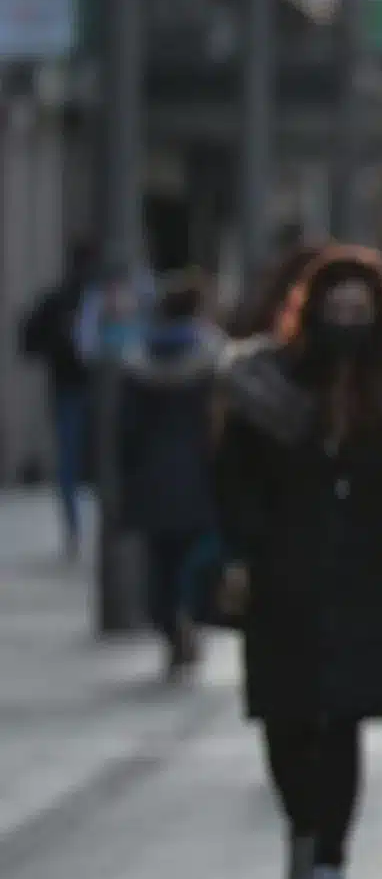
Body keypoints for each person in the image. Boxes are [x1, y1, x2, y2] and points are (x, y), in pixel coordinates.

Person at [212, 246, 382, 879]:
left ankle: (330, 861)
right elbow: (232, 481)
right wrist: (242, 552)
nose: (347, 322)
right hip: (282, 573)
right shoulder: (263, 387)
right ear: (310, 310)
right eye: (335, 308)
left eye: (360, 310)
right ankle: (303, 824)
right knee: (287, 715)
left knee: (346, 715)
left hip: (364, 572)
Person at [118, 271, 226, 675]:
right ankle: (189, 619)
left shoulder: (137, 361)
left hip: (151, 477)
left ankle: (168, 622)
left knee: (159, 561)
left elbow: (125, 431)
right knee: (196, 556)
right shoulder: (212, 360)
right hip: (198, 475)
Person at [18, 241, 100, 556]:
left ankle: (75, 529)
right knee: (91, 460)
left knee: (71, 460)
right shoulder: (96, 298)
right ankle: (81, 529)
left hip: (67, 388)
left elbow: (28, 340)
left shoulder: (59, 297)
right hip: (84, 390)